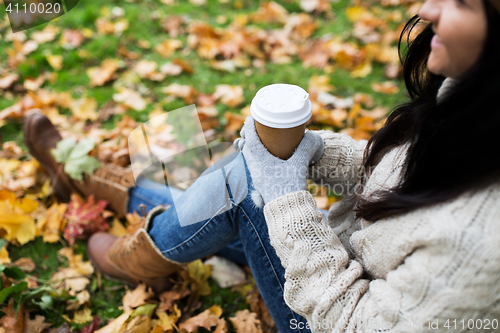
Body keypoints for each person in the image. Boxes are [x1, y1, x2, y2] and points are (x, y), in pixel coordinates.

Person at [23, 0, 500, 332]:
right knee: (248, 179)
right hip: (344, 259)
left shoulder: (482, 245)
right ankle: (101, 186)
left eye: (461, 1)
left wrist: (283, 192)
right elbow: (407, 181)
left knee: (250, 181)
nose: (427, 9)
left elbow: (355, 325)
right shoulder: (475, 98)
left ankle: (131, 253)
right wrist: (308, 151)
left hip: (328, 318)